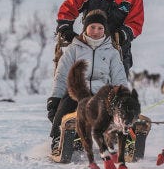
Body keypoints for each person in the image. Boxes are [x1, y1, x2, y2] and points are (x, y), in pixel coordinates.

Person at [46, 9, 129, 155]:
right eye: (92, 27)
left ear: (104, 30)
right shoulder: (74, 49)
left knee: (118, 110)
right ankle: (59, 139)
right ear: (85, 28)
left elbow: (119, 78)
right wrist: (54, 99)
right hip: (77, 91)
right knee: (67, 103)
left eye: (100, 28)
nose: (96, 31)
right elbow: (61, 76)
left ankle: (126, 139)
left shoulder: (111, 52)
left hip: (103, 93)